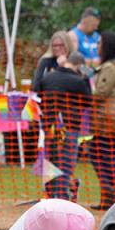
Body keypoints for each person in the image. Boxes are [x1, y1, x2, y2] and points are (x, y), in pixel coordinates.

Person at [38, 49, 92, 201]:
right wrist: (86, 75)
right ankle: (61, 197)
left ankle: (49, 195)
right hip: (70, 127)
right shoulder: (78, 81)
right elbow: (89, 101)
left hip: (49, 127)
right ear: (79, 66)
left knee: (50, 162)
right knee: (66, 164)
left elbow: (38, 93)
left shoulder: (48, 78)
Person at [89, 31, 115, 210]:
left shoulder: (109, 67)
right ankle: (109, 196)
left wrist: (84, 92)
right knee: (109, 156)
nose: (97, 47)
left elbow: (101, 92)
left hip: (108, 117)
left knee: (100, 155)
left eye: (99, 43)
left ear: (107, 46)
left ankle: (109, 195)